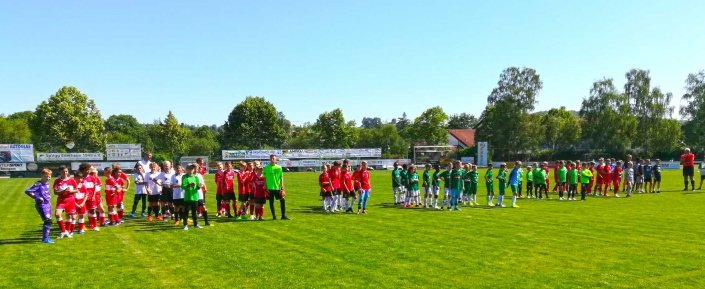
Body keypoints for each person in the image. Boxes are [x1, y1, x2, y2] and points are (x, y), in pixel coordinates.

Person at [25, 168, 54, 244]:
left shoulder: (47, 183)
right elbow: (28, 191)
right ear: (42, 176)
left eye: (49, 176)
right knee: (48, 221)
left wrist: (48, 196)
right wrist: (37, 197)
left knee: (49, 221)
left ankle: (46, 237)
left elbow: (45, 192)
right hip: (42, 205)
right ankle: (45, 239)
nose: (48, 178)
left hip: (47, 204)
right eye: (46, 176)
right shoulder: (38, 184)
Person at [53, 165, 77, 238]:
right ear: (60, 172)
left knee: (69, 216)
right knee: (57, 214)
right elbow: (55, 192)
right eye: (63, 171)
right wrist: (63, 191)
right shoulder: (57, 181)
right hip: (61, 200)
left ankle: (67, 231)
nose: (65, 173)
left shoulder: (72, 180)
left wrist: (71, 191)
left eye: (66, 171)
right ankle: (63, 231)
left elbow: (77, 190)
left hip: (70, 199)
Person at [264, 154, 289, 220]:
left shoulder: (279, 167)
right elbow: (265, 178)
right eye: (271, 158)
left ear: (276, 160)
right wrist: (265, 187)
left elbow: (281, 177)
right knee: (271, 202)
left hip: (277, 188)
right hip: (270, 188)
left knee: (282, 200)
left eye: (273, 158)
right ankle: (274, 216)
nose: (272, 160)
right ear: (269, 159)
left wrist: (282, 187)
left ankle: (283, 216)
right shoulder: (266, 168)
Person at [181, 165, 202, 230]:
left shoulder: (196, 177)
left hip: (194, 197)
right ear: (186, 169)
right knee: (186, 211)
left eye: (192, 168)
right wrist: (189, 185)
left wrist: (199, 186)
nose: (191, 170)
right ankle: (185, 225)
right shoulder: (184, 177)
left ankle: (196, 224)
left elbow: (198, 187)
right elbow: (183, 186)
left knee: (194, 211)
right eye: (189, 168)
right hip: (187, 197)